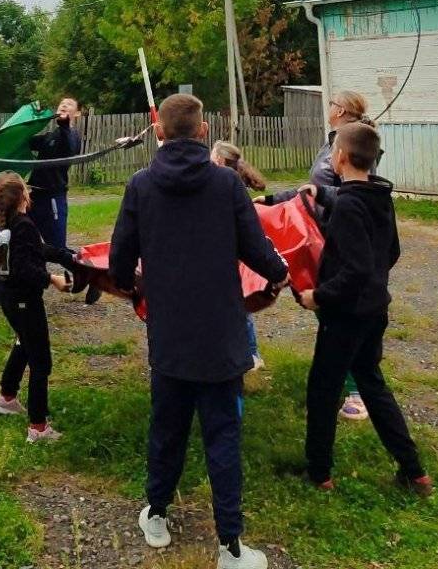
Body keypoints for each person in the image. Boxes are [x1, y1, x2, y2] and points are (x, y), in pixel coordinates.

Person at [110, 94, 288, 569]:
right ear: (203, 131)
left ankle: (157, 514)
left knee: (166, 427)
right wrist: (280, 272)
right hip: (221, 334)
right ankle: (230, 547)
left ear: (161, 133)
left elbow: (120, 262)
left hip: (169, 334)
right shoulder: (226, 184)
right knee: (223, 436)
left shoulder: (140, 186)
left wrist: (136, 286)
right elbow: (256, 249)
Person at [297, 122, 432, 497]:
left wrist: (319, 296)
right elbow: (391, 253)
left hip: (346, 316)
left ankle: (318, 471)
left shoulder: (347, 208)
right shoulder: (378, 196)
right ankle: (413, 470)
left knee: (323, 388)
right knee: (371, 381)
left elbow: (353, 270)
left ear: (339, 157)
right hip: (375, 309)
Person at [257, 89, 375, 423]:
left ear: (341, 110)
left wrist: (324, 196)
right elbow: (309, 189)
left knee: (338, 314)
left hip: (336, 236)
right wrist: (271, 200)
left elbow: (353, 190)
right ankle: (340, 383)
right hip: (317, 232)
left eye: (333, 104)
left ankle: (358, 390)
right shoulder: (331, 142)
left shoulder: (354, 142)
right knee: (326, 313)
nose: (329, 109)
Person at [0, 171, 71, 443]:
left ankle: (7, 397)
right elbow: (25, 268)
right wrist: (53, 279)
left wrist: (68, 256)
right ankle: (38, 427)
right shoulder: (23, 224)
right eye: (28, 190)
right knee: (41, 362)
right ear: (23, 196)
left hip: (12, 299)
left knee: (24, 343)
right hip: (24, 300)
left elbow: (38, 249)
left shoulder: (13, 223)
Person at [211, 141, 268, 373]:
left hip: (234, 256)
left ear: (220, 162)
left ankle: (252, 353)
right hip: (228, 255)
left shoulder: (231, 189)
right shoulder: (226, 185)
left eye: (211, 156)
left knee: (239, 306)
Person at [27, 97, 82, 249]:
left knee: (58, 249)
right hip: (34, 198)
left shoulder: (73, 136)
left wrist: (64, 125)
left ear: (77, 113)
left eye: (69, 104)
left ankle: (85, 272)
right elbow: (26, 142)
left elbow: (70, 148)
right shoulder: (50, 136)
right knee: (19, 234)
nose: (64, 105)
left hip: (53, 199)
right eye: (62, 103)